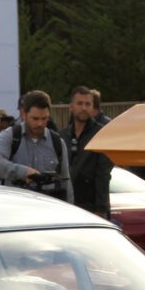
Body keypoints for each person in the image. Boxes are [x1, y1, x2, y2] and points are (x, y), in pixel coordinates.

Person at [0, 89, 72, 202]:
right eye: (35, 118)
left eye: (44, 119)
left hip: (48, 209)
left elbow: (66, 182)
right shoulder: (9, 136)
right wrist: (24, 172)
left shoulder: (57, 142)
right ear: (24, 114)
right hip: (15, 207)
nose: (40, 123)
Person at [60, 85, 109, 217]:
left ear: (93, 107)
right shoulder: (63, 135)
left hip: (92, 205)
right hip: (66, 204)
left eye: (88, 104)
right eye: (80, 103)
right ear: (71, 106)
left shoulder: (101, 134)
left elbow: (103, 175)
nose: (84, 108)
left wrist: (101, 208)